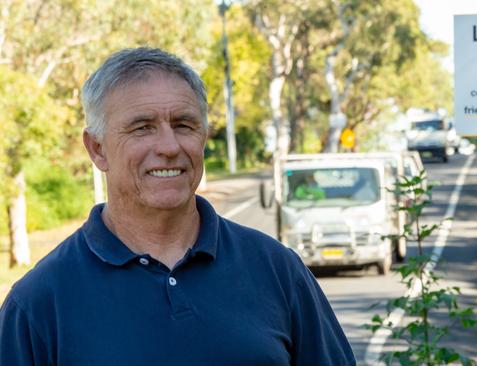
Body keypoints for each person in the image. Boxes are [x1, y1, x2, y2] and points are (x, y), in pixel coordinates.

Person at [0, 47, 355, 365]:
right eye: (142, 128)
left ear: (202, 135)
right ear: (97, 149)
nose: (169, 146)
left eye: (183, 124)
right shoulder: (38, 303)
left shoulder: (277, 270)